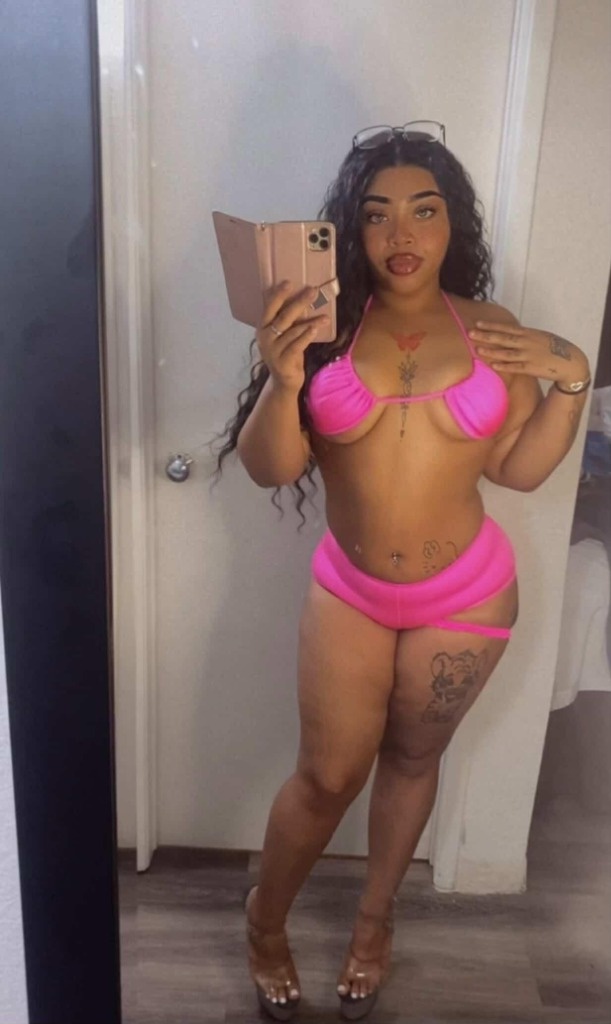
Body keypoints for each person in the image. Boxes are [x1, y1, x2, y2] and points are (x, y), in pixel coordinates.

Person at [215, 121, 592, 1021]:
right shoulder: (321, 326)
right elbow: (271, 468)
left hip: (466, 596)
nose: (400, 234)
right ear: (351, 228)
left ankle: (373, 923)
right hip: (350, 594)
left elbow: (518, 471)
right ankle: (265, 922)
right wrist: (281, 380)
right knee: (326, 776)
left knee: (414, 759)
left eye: (423, 211)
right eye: (376, 214)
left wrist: (573, 378)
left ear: (451, 222)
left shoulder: (493, 331)